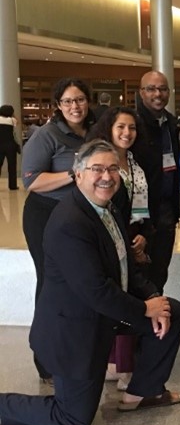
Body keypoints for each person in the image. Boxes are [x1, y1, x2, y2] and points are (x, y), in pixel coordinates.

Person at [0, 140, 180, 425]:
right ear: (78, 174)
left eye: (113, 168)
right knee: (73, 418)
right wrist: (145, 309)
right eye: (96, 169)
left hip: (104, 316)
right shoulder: (70, 222)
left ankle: (143, 392)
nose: (107, 176)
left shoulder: (105, 208)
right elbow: (96, 291)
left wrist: (152, 297)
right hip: (74, 333)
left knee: (171, 311)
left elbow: (124, 266)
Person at [21, 77, 96, 383]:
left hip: (80, 216)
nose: (74, 106)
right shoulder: (46, 134)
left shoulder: (92, 132)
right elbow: (32, 181)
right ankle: (45, 358)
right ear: (58, 105)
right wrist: (73, 172)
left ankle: (74, 351)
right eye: (67, 101)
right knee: (51, 284)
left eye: (79, 99)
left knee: (78, 283)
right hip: (46, 215)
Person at [88, 107, 153, 389]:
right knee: (123, 302)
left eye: (132, 128)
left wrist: (142, 237)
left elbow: (141, 206)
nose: (127, 133)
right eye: (121, 127)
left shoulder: (135, 162)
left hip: (135, 237)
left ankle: (117, 364)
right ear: (109, 129)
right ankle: (123, 370)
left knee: (129, 298)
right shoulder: (103, 164)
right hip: (113, 240)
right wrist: (126, 241)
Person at [132, 71, 180, 293]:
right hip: (139, 214)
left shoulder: (170, 123)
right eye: (151, 89)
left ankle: (156, 325)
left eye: (162, 89)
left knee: (160, 271)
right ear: (141, 93)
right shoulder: (132, 124)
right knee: (139, 276)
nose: (157, 94)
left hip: (166, 210)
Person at [0, 104, 21, 190]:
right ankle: (12, 186)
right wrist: (12, 115)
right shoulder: (12, 120)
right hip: (10, 145)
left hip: (0, 145)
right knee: (12, 166)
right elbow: (18, 122)